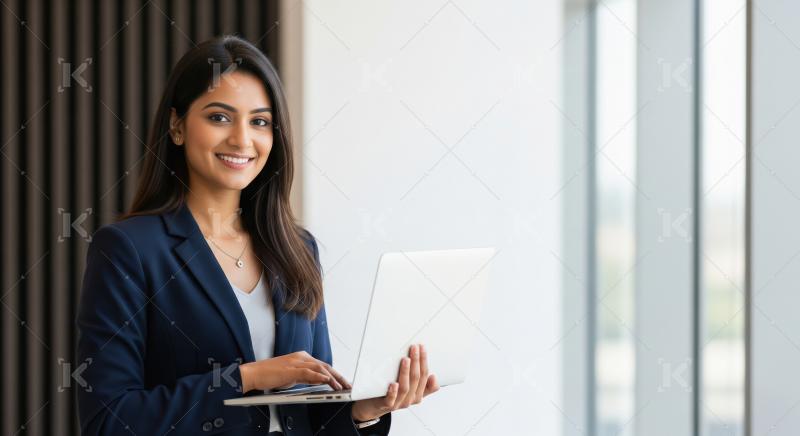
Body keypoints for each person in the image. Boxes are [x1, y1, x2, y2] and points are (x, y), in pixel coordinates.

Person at [75, 35, 439, 436]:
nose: (242, 139)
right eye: (219, 117)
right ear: (177, 126)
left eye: (260, 121)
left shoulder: (298, 249)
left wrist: (364, 410)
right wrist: (245, 378)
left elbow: (308, 411)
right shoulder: (130, 250)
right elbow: (108, 420)